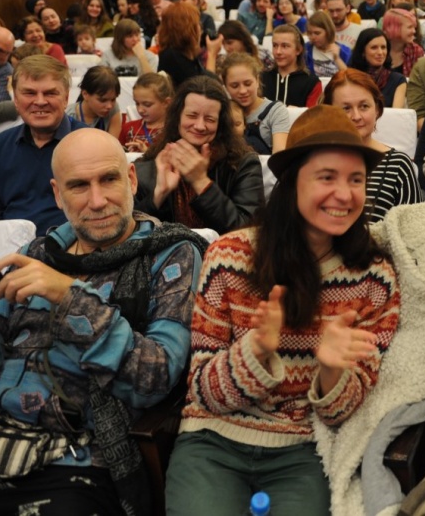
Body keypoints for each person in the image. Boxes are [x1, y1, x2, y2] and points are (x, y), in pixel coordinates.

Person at [0, 129, 207, 516]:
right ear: (57, 194)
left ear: (131, 179)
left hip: (77, 457)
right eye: (78, 186)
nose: (98, 200)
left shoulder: (169, 255)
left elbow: (156, 379)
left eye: (109, 179)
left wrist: (70, 297)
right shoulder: (37, 253)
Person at [164, 104, 400, 516]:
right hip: (213, 439)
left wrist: (331, 371)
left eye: (356, 180)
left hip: (302, 448)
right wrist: (254, 351)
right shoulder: (230, 257)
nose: (345, 194)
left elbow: (341, 414)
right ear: (292, 183)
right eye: (326, 177)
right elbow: (202, 389)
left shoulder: (373, 276)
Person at [134, 76, 263, 234]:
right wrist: (159, 194)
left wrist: (201, 182)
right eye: (192, 116)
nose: (200, 126)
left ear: (220, 124)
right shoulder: (150, 164)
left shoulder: (244, 164)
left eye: (210, 119)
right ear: (178, 117)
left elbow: (247, 231)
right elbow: (129, 233)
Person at [0, 55, 88, 234]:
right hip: (10, 245)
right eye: (29, 93)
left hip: (72, 245)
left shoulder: (90, 143)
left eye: (50, 93)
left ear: (66, 98)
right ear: (16, 100)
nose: (40, 101)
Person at [324, 69, 422, 222]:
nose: (356, 116)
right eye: (346, 108)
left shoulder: (398, 165)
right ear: (330, 113)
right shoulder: (317, 162)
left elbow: (414, 228)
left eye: (364, 106)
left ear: (377, 110)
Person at [222, 52, 289, 155]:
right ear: (225, 86)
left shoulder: (276, 111)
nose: (243, 91)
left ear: (257, 80)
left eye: (248, 84)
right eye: (235, 86)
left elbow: (279, 156)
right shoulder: (222, 111)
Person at [261, 24, 322, 107]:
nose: (278, 52)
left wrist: (296, 112)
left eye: (285, 46)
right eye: (275, 45)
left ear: (298, 50)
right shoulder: (262, 78)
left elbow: (314, 114)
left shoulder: (311, 83)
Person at [348, 28, 408, 109]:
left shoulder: (398, 80)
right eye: (374, 48)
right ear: (363, 52)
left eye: (383, 47)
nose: (380, 52)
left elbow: (396, 113)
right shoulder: (350, 79)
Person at [158, 2, 209, 87]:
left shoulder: (186, 54)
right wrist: (212, 54)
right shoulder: (172, 56)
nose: (200, 28)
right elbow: (204, 87)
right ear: (187, 28)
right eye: (197, 24)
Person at [121, 72, 173, 153]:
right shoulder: (127, 128)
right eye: (137, 103)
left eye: (147, 104)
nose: (140, 110)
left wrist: (147, 153)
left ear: (166, 103)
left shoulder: (174, 131)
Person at [67, 65, 122, 139]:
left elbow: (113, 143)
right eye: (102, 100)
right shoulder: (68, 116)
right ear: (85, 94)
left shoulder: (113, 108)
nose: (109, 106)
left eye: (113, 99)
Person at [304, 11, 350, 77]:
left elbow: (349, 77)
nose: (312, 37)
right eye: (309, 33)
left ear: (328, 31)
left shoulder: (345, 51)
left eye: (317, 33)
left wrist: (337, 59)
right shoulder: (306, 50)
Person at [382, 7, 424, 77]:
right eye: (410, 27)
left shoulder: (416, 50)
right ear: (394, 28)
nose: (414, 31)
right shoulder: (378, 48)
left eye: (414, 27)